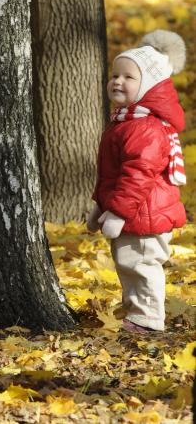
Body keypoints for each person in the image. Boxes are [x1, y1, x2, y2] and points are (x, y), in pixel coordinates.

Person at [87, 30, 187, 333]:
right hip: (136, 212)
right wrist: (100, 206)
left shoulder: (145, 128)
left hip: (144, 214)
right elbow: (112, 175)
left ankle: (147, 320)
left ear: (149, 87)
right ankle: (138, 313)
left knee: (141, 265)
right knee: (129, 265)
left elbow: (137, 176)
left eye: (128, 77)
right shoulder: (127, 123)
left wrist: (117, 212)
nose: (117, 81)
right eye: (115, 75)